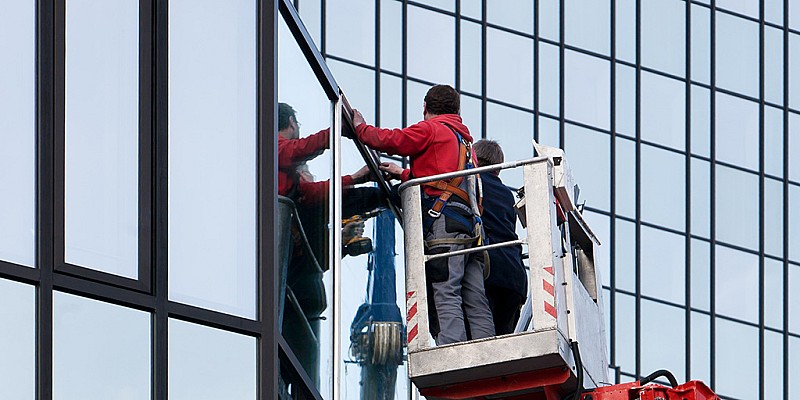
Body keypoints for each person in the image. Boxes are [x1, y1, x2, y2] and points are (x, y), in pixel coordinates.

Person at [352, 84, 495, 345]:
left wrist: (360, 128)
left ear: (425, 108)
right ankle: (487, 354)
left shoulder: (431, 129)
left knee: (446, 291)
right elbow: (448, 179)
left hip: (445, 226)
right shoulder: (466, 143)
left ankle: (454, 357)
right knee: (475, 298)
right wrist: (405, 174)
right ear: (457, 110)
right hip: (471, 230)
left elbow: (391, 140)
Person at [472, 139, 528, 335]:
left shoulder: (471, 181)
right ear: (498, 168)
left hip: (490, 272)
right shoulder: (506, 194)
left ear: (474, 158)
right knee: (505, 342)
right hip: (515, 277)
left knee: (480, 339)